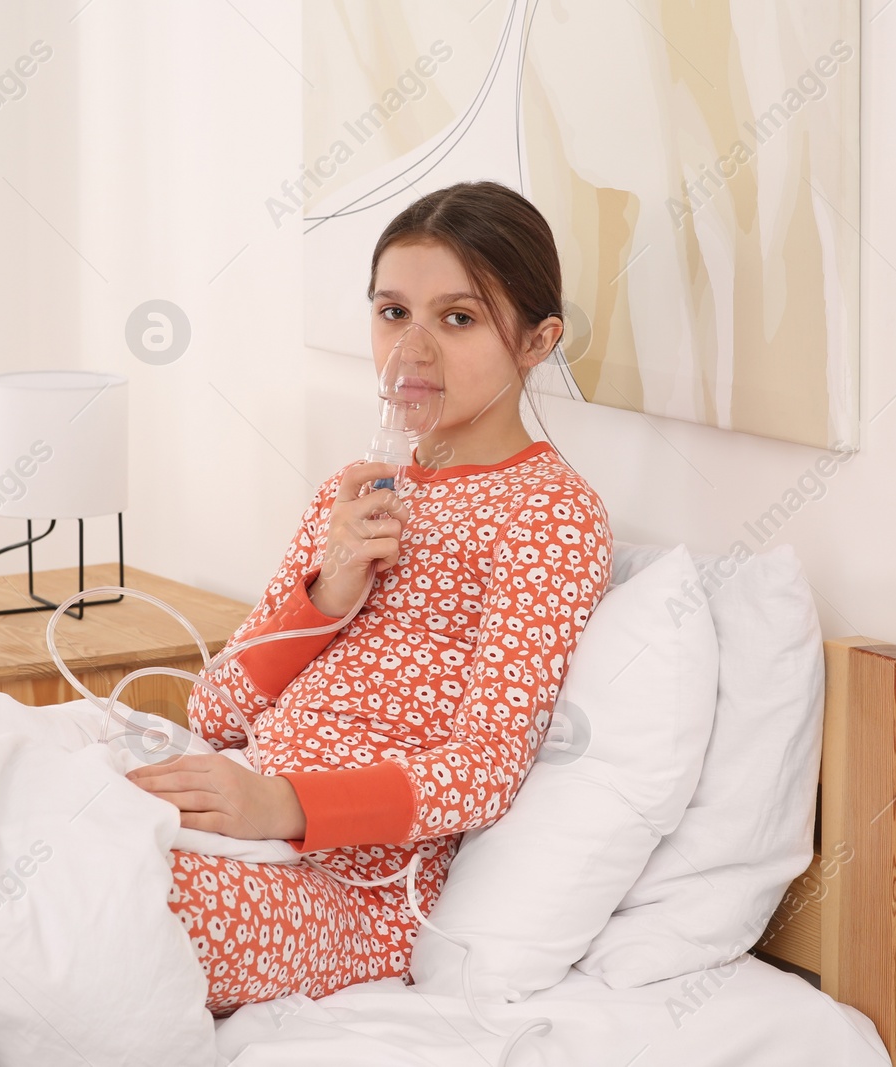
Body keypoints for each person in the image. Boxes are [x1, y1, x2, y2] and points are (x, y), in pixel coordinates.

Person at [125, 180, 613, 1016]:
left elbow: (483, 770)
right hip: (240, 812)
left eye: (457, 318)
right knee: (5, 829)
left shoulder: (551, 516)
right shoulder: (356, 493)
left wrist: (284, 805)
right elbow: (216, 708)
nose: (410, 353)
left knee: (102, 902)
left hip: (358, 894)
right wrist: (329, 589)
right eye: (393, 313)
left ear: (539, 339)